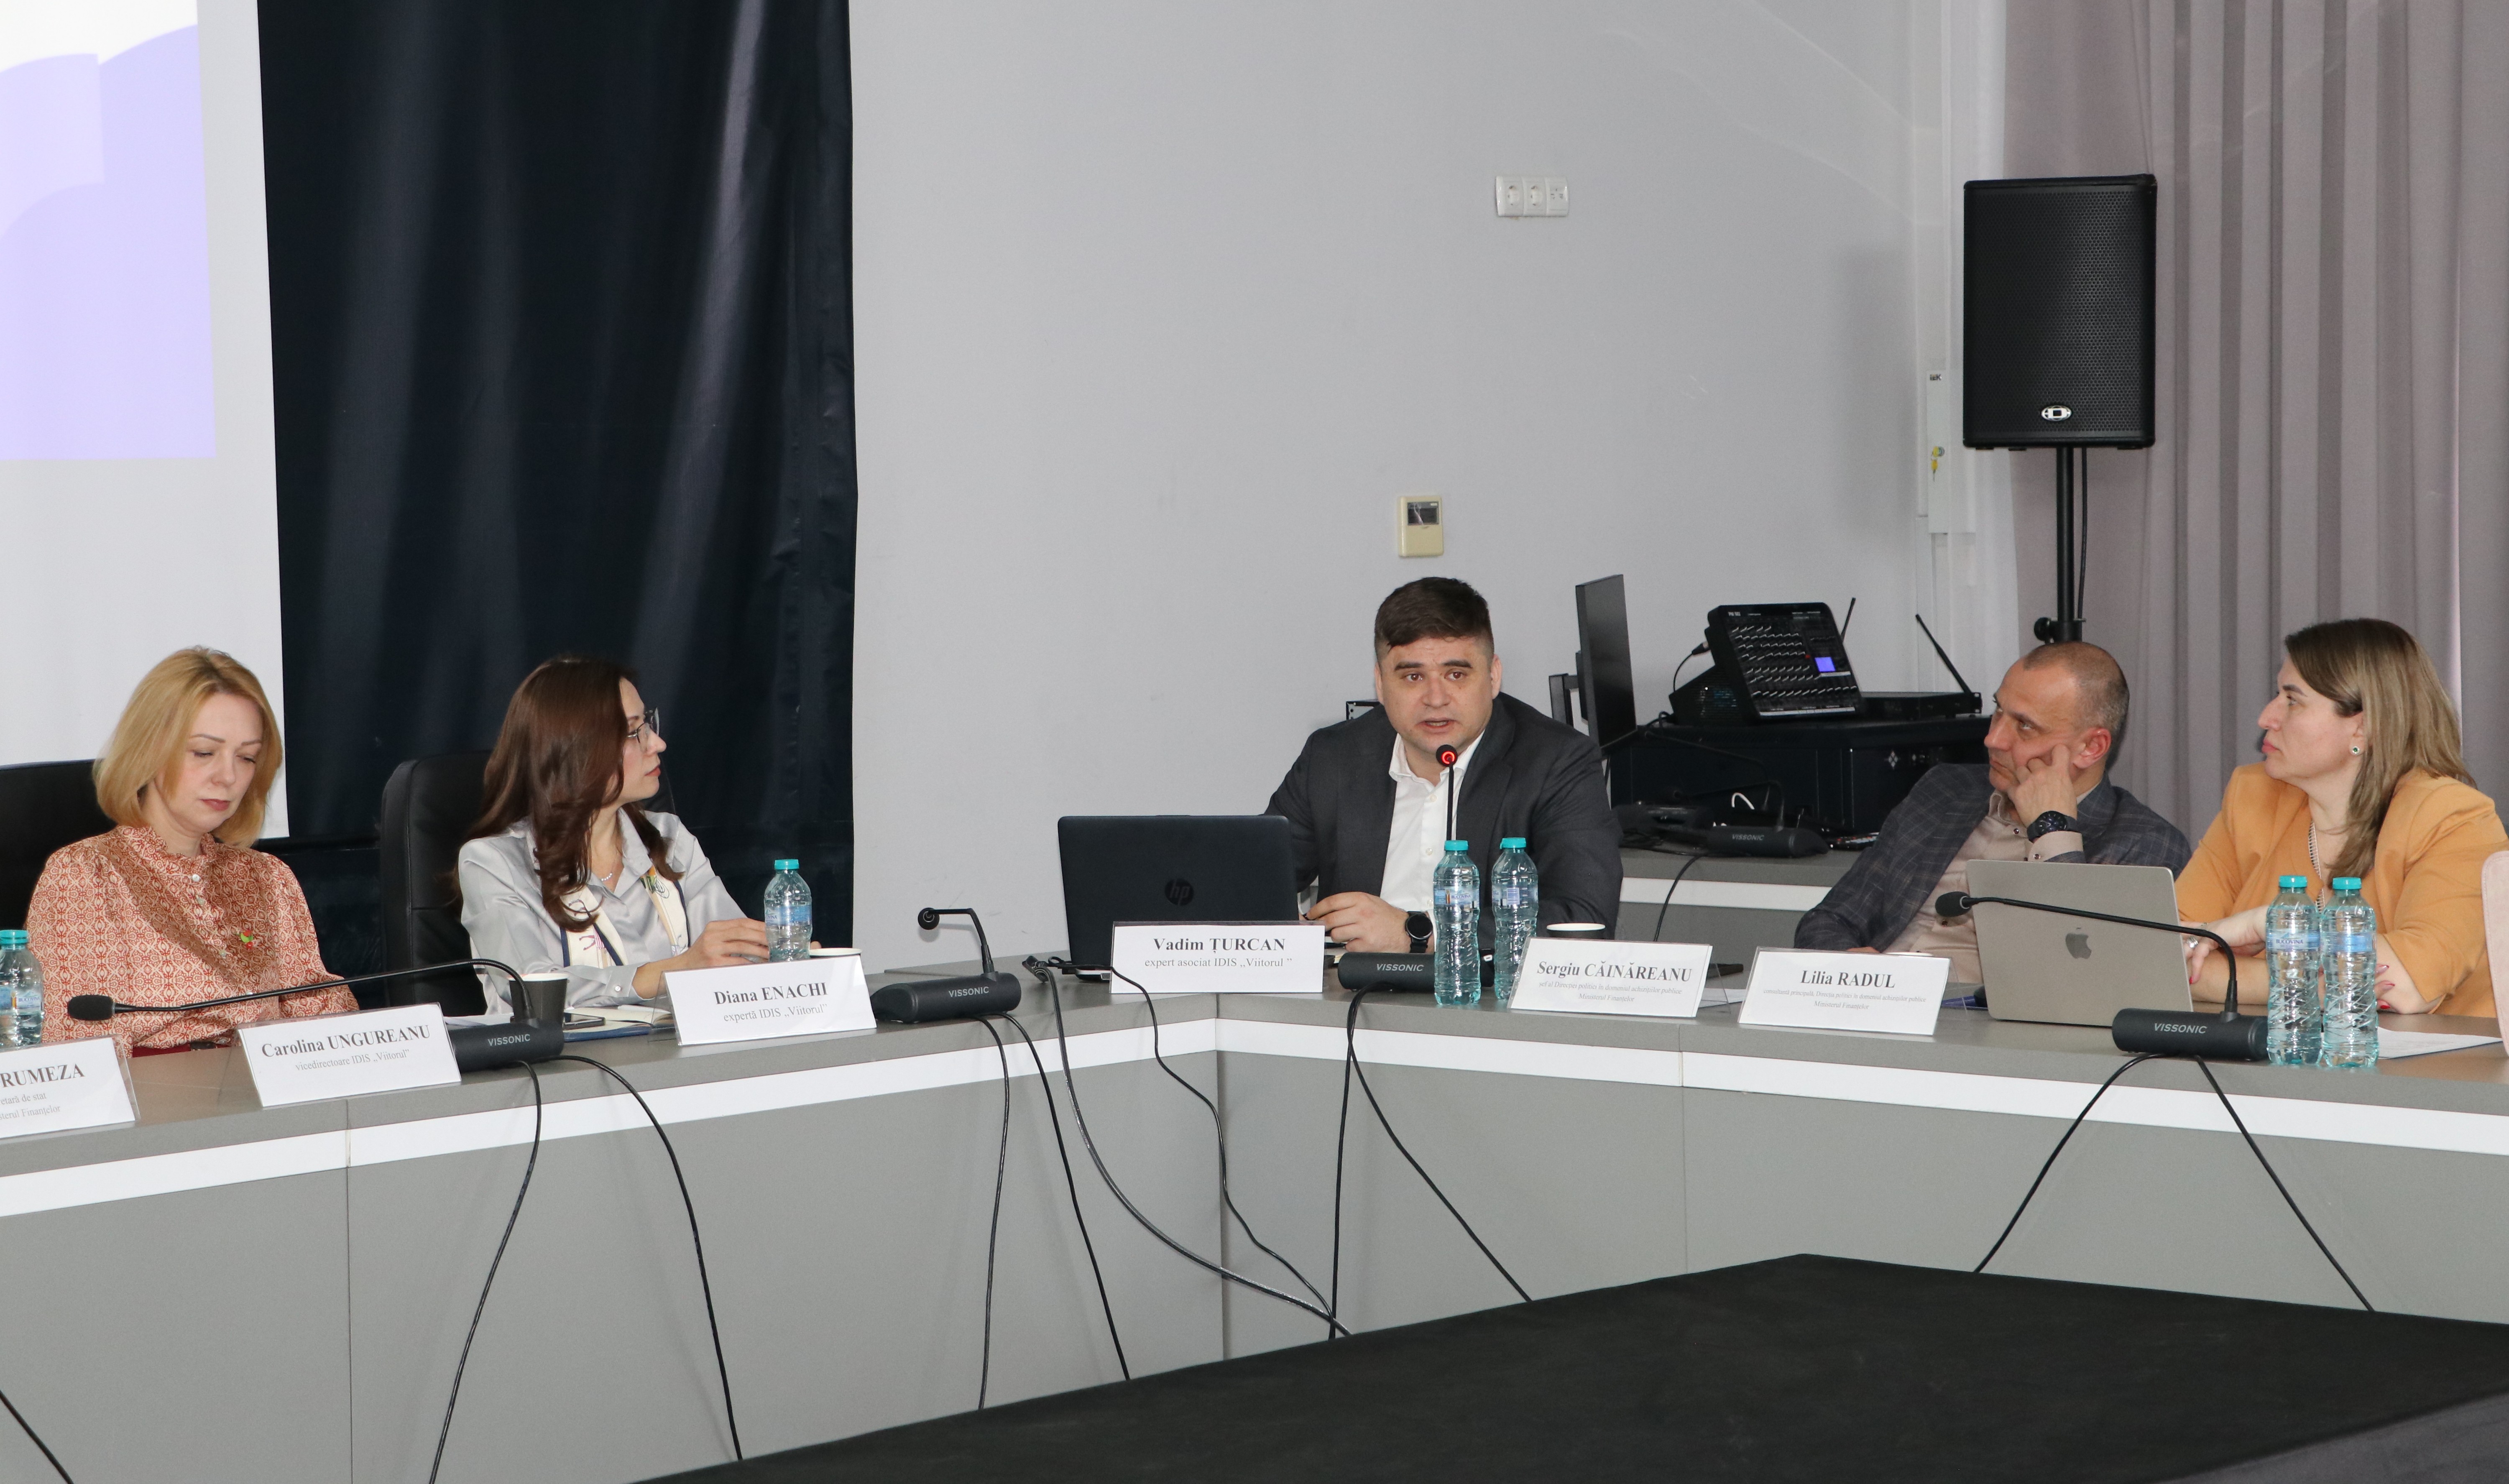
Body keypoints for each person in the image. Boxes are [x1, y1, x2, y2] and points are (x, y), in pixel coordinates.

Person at [1794, 642, 2190, 981]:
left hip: (1974, 1028)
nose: (1993, 738)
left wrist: (2052, 829)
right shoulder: (1945, 791)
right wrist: (1851, 970)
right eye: (1999, 711)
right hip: (1876, 1003)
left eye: (2025, 726)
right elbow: (1829, 919)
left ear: (2091, 747)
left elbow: (2081, 978)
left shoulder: (2143, 844)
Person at [1267, 577, 1621, 953]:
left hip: (1486, 989)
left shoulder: (1558, 762)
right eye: (1413, 676)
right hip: (1351, 987)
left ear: (1493, 676)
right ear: (1381, 684)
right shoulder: (1333, 757)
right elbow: (1254, 882)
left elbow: (1583, 922)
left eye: (1456, 675)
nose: (1436, 699)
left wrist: (1417, 933)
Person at [28, 649, 355, 1053]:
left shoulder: (267, 877)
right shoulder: (85, 874)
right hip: (157, 1091)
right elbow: (77, 1049)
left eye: (247, 757)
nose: (228, 777)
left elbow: (325, 1021)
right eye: (204, 752)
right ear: (149, 751)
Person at [2180, 618, 2506, 1017]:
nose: (2266, 717)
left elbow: (2407, 986)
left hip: (2443, 1058)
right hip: (2277, 1051)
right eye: (2277, 695)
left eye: (2293, 700)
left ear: (2362, 730)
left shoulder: (2453, 818)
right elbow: (2167, 954)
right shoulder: (2253, 797)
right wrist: (2321, 985)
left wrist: (2272, 925)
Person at [458, 656, 772, 1014]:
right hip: (565, 1053)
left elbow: (733, 955)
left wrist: (782, 958)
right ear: (576, 749)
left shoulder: (670, 838)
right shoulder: (493, 863)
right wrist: (672, 971)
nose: (657, 744)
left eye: (648, 724)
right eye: (634, 732)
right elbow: (532, 988)